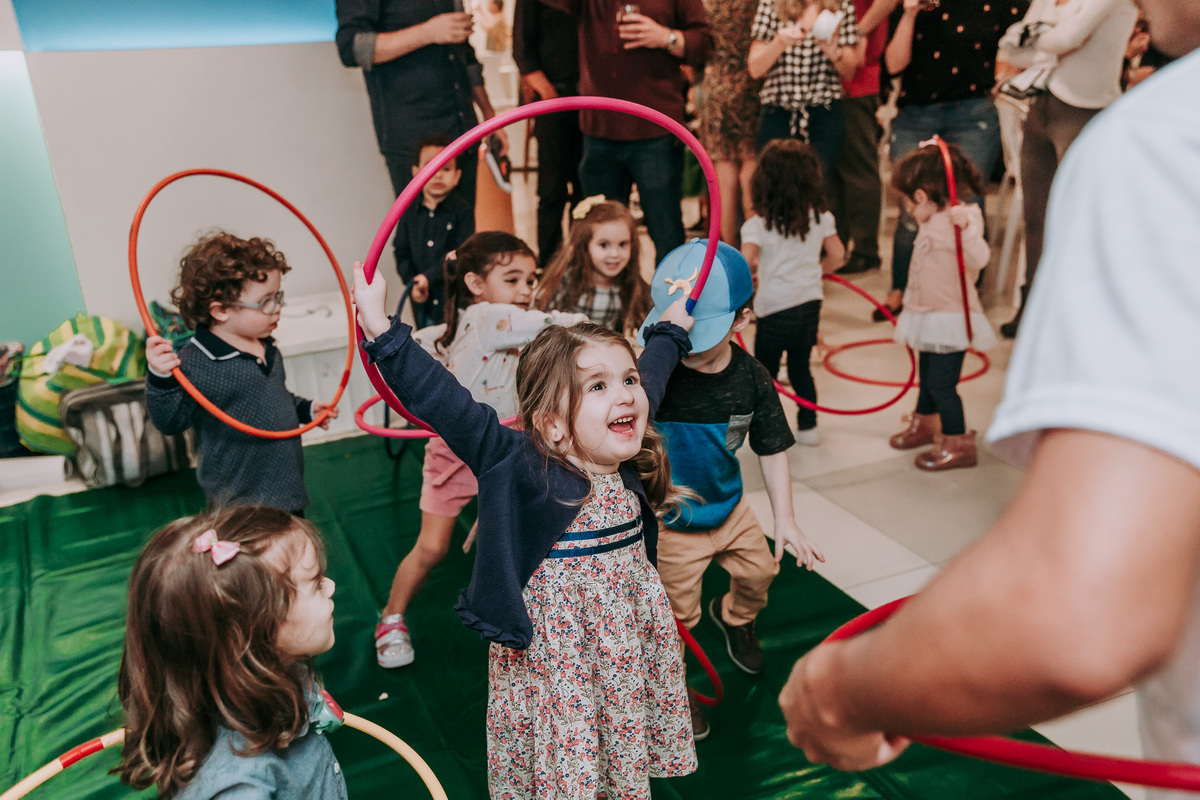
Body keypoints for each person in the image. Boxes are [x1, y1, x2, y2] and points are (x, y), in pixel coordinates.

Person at [777, 7, 1200, 794]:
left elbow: (1075, 611)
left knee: (943, 388)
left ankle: (948, 430)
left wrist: (841, 691)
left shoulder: (1164, 143)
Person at [355, 259, 699, 797]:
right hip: (556, 660)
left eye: (626, 380)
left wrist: (672, 327)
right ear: (554, 425)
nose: (628, 394)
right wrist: (381, 328)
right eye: (600, 386)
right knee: (570, 761)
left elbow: (654, 368)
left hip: (622, 645)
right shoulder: (518, 461)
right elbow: (449, 406)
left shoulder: (621, 448)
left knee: (618, 746)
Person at [375, 231, 588, 669]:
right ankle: (390, 617)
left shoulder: (468, 324)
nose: (527, 289)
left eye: (531, 279)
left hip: (506, 450)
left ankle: (538, 610)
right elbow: (557, 323)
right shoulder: (491, 316)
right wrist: (589, 322)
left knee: (520, 536)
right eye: (513, 278)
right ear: (475, 284)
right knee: (432, 548)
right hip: (456, 455)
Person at [641, 239, 826, 740]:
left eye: (699, 335)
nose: (686, 346)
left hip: (731, 509)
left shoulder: (753, 378)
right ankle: (674, 694)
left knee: (760, 573)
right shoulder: (657, 372)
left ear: (742, 320)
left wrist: (785, 518)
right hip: (673, 522)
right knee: (674, 618)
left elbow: (771, 448)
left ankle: (736, 619)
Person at [115, 506, 342, 799]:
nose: (331, 586)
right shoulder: (240, 789)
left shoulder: (270, 674)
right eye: (314, 584)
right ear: (257, 632)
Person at [145, 233, 337, 515]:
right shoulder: (194, 362)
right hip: (239, 505)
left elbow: (270, 398)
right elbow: (170, 421)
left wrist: (303, 409)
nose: (278, 308)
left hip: (287, 491)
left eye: (278, 296)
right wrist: (160, 378)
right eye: (266, 302)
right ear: (221, 310)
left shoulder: (267, 347)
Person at [872, 0, 1027, 320]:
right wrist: (911, 13)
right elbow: (893, 65)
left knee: (968, 202)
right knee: (911, 207)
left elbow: (1031, 35)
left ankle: (966, 291)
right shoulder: (913, 4)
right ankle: (902, 288)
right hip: (915, 111)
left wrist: (1011, 77)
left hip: (973, 112)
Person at [996, 0, 1138, 338]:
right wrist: (1055, 44)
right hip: (1042, 108)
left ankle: (1074, 319)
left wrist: (1046, 40)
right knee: (1036, 221)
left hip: (1087, 112)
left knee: (1077, 227)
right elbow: (1011, 49)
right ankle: (1032, 309)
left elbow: (1065, 39)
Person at [540, 0, 713, 266]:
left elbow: (704, 43)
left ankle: (671, 305)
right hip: (600, 130)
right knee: (601, 234)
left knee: (666, 232)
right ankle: (609, 305)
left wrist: (665, 37)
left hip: (656, 129)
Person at [335, 0, 508, 263]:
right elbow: (352, 48)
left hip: (461, 131)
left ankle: (463, 305)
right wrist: (428, 32)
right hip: (414, 139)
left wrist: (490, 117)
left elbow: (464, 54)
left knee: (464, 248)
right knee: (424, 254)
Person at [885, 142, 996, 471]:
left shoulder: (963, 218)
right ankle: (926, 423)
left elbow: (980, 259)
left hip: (950, 318)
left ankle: (957, 441)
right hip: (926, 315)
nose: (907, 209)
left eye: (907, 202)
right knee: (927, 376)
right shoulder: (932, 218)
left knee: (942, 385)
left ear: (920, 197)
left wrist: (966, 231)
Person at [741, 139, 845, 443]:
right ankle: (809, 425)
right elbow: (838, 255)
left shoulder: (757, 224)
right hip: (809, 304)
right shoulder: (822, 218)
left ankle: (766, 429)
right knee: (801, 368)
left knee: (766, 374)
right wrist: (816, 272)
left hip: (774, 308)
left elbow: (744, 263)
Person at [747, 0, 863, 183]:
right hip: (778, 111)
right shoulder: (771, 4)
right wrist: (780, 42)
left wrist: (834, 52)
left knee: (816, 188)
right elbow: (754, 68)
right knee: (775, 187)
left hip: (824, 112)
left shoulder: (841, 5)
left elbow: (850, 72)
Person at [512, 0, 582, 267]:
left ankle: (581, 264)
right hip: (553, 101)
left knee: (585, 191)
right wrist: (548, 93)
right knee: (552, 190)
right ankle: (550, 268)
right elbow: (522, 51)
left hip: (589, 102)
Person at [533, 196, 652, 336]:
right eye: (604, 245)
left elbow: (653, 309)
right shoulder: (568, 278)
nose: (614, 254)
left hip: (605, 349)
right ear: (584, 245)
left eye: (623, 244)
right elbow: (543, 321)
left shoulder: (628, 280)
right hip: (567, 349)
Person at [695, 0, 763, 246]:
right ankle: (752, 253)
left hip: (716, 84)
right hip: (752, 83)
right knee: (750, 172)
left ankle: (729, 249)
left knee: (724, 179)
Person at [829, 0, 889, 275]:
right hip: (832, 80)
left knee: (859, 168)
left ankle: (866, 250)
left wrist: (859, 31)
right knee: (835, 171)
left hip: (859, 78)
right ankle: (838, 244)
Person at [394, 136, 476, 329]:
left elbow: (460, 253)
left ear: (457, 176)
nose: (437, 174)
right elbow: (401, 251)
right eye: (430, 167)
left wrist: (428, 277)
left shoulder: (463, 212)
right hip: (423, 302)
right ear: (415, 172)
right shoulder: (407, 211)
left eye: (445, 169)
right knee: (427, 345)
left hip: (454, 301)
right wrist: (412, 281)